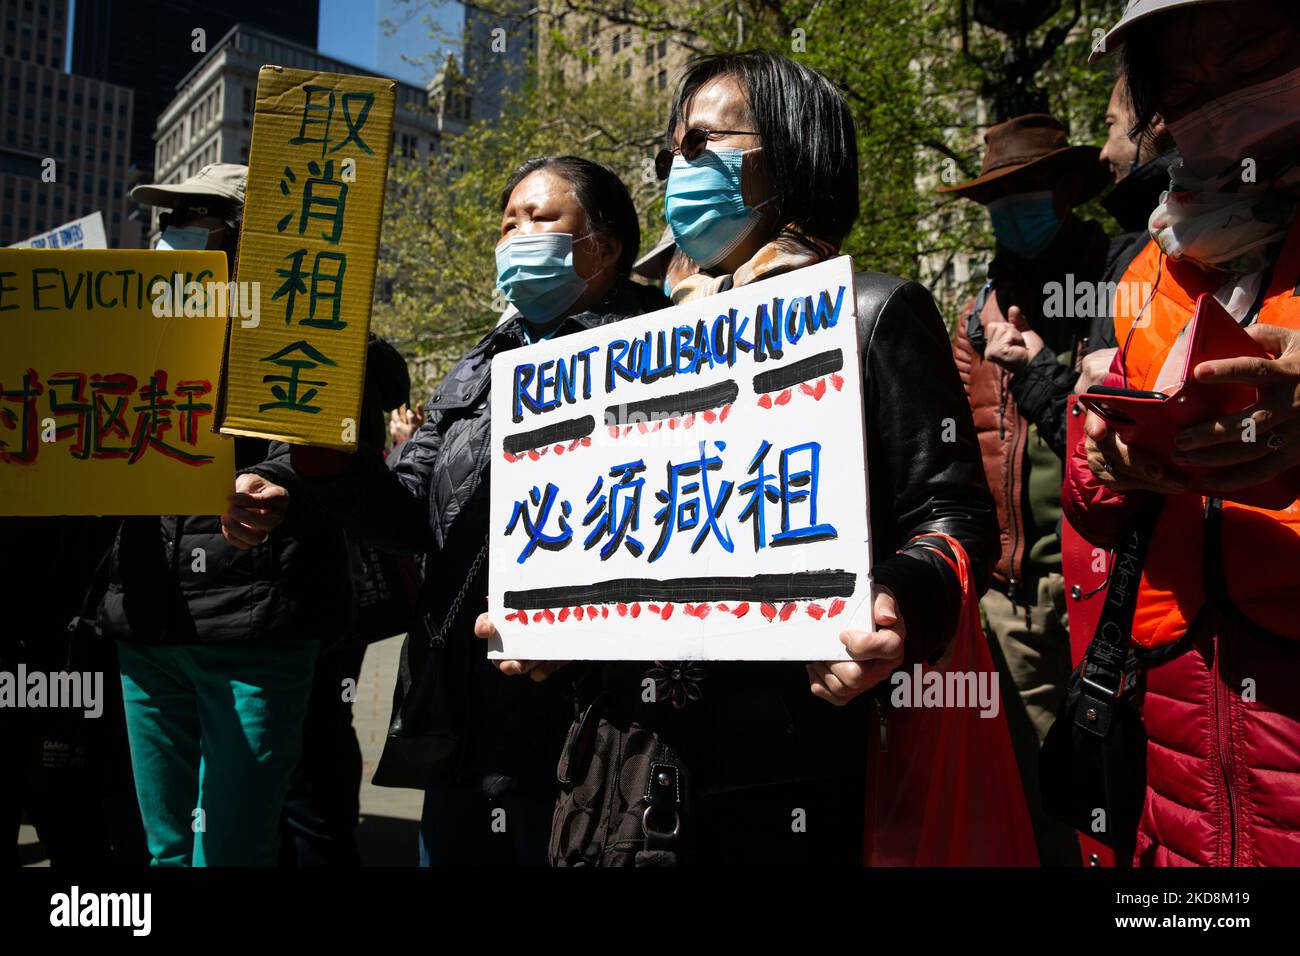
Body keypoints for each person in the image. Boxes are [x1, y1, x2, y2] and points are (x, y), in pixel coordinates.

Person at [479, 51, 998, 866]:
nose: (675, 173)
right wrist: (553, 620)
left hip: (772, 777)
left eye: (700, 146)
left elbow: (955, 518)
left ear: (789, 151)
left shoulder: (872, 312)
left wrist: (896, 601)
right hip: (610, 767)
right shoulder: (638, 348)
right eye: (668, 156)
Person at [240, 155, 668, 866]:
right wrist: (324, 465)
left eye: (541, 218)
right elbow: (408, 513)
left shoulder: (668, 346)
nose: (516, 236)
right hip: (463, 710)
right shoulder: (476, 366)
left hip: (597, 715)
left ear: (607, 245)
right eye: (506, 224)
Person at [1067, 0, 1300, 866]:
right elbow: (1095, 505)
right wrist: (1108, 454)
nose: (1215, 91)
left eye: (1250, 50)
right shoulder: (1148, 265)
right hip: (1177, 745)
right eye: (1182, 77)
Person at [105, 164, 354, 866]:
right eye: (168, 219)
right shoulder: (125, 332)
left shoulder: (307, 335)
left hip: (253, 630)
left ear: (252, 237)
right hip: (147, 622)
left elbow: (334, 464)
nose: (174, 233)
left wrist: (279, 487)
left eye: (198, 218)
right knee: (165, 851)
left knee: (235, 849)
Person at [943, 113, 1111, 866]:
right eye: (996, 199)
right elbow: (952, 446)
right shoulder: (973, 318)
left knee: (1113, 768)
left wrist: (1052, 372)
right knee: (1040, 781)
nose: (1012, 212)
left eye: (1028, 191)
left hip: (1109, 586)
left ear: (1069, 187)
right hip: (1011, 592)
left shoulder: (1119, 279)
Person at [279, 334, 413, 867]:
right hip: (278, 580)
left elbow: (392, 388)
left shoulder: (344, 342)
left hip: (324, 579)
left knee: (316, 740)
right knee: (315, 736)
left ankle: (324, 836)